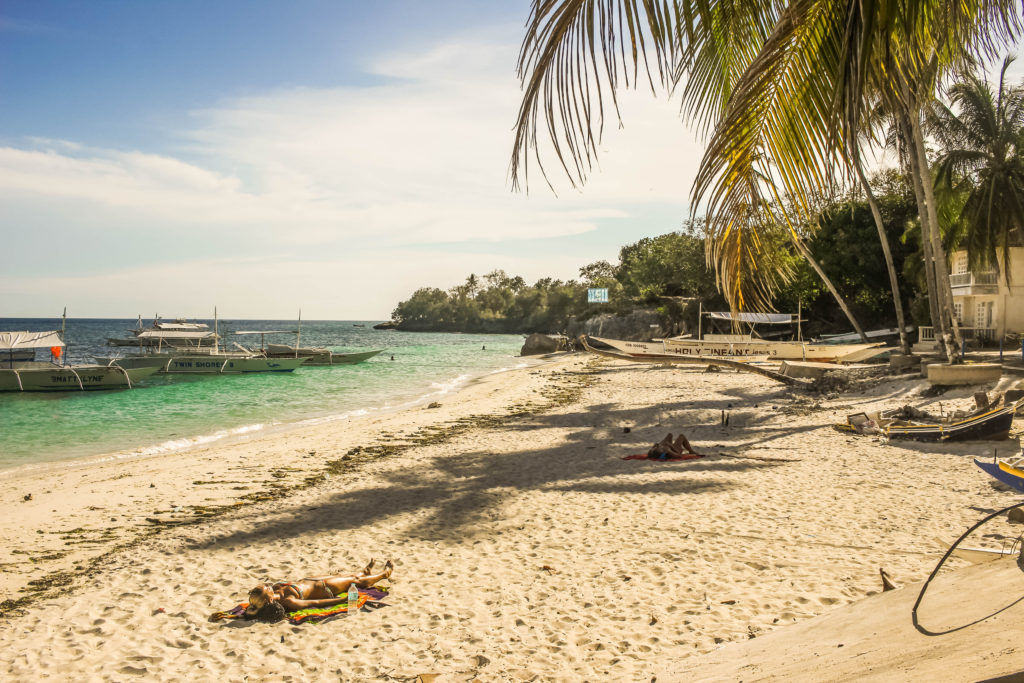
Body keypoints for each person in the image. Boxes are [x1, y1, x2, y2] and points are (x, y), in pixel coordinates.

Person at [243, 559, 393, 622]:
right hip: (326, 588)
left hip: (314, 580)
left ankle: (365, 571)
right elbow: (316, 602)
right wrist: (342, 599)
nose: (268, 585)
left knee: (345, 576)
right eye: (266, 588)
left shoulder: (275, 591)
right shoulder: (288, 601)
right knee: (355, 581)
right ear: (269, 600)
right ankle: (384, 574)